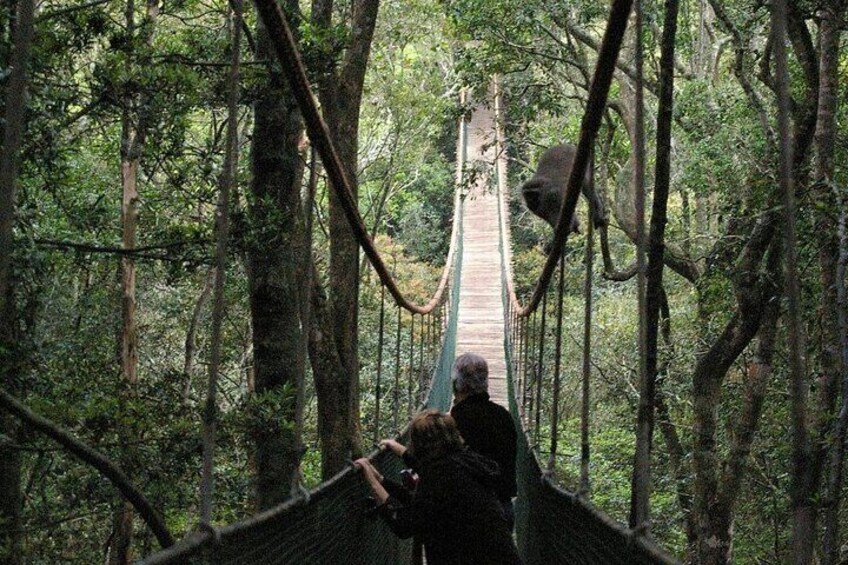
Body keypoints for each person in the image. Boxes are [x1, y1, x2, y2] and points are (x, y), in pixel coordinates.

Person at [355, 410, 521, 565]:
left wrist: (373, 483)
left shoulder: (440, 475)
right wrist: (382, 480)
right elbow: (421, 505)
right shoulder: (464, 462)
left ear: (420, 445)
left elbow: (404, 524)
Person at [449, 352, 518, 529]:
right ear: (485, 382)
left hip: (468, 513)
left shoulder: (455, 421)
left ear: (457, 385)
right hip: (503, 509)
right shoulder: (504, 416)